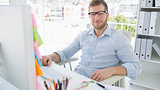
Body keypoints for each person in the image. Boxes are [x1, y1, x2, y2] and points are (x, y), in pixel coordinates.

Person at [41, 0, 142, 82]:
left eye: (100, 13)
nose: (96, 18)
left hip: (97, 83)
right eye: (93, 14)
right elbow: (64, 54)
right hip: (75, 78)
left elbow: (136, 66)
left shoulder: (118, 38)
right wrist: (50, 57)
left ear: (107, 15)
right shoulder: (83, 35)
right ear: (89, 16)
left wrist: (110, 71)